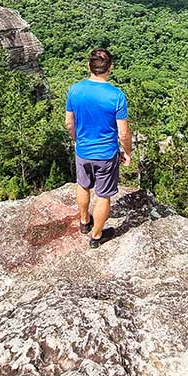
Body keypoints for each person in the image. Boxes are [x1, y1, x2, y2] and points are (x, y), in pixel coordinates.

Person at [65, 48, 132, 248]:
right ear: (110, 69)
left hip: (83, 151)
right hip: (106, 154)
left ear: (89, 67)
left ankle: (85, 221)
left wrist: (77, 140)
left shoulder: (75, 90)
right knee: (103, 195)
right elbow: (123, 133)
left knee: (83, 185)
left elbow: (69, 123)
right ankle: (96, 236)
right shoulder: (116, 95)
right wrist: (127, 152)